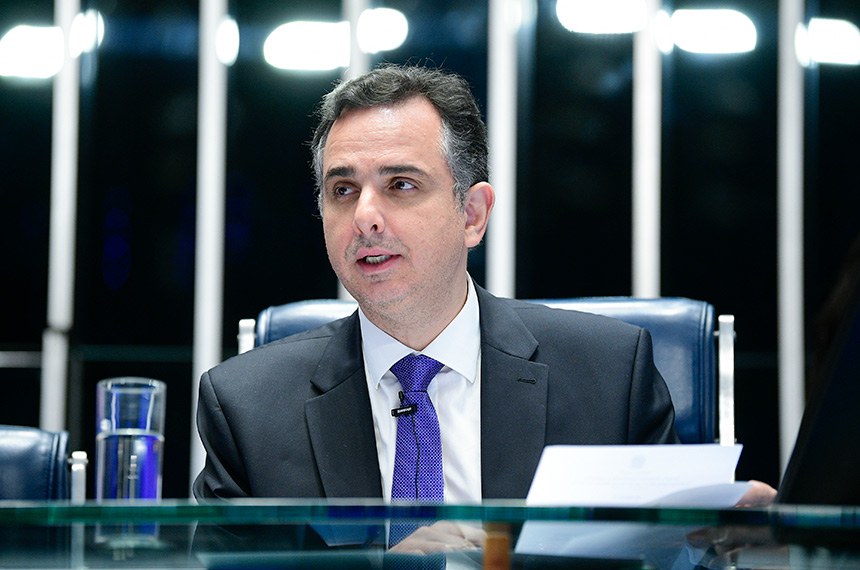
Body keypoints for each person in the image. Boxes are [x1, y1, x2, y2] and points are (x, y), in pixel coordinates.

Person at [192, 64, 770, 553]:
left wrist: (735, 547)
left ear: (472, 215)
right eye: (343, 190)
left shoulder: (610, 375)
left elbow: (676, 556)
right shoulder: (247, 407)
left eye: (400, 185)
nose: (365, 216)